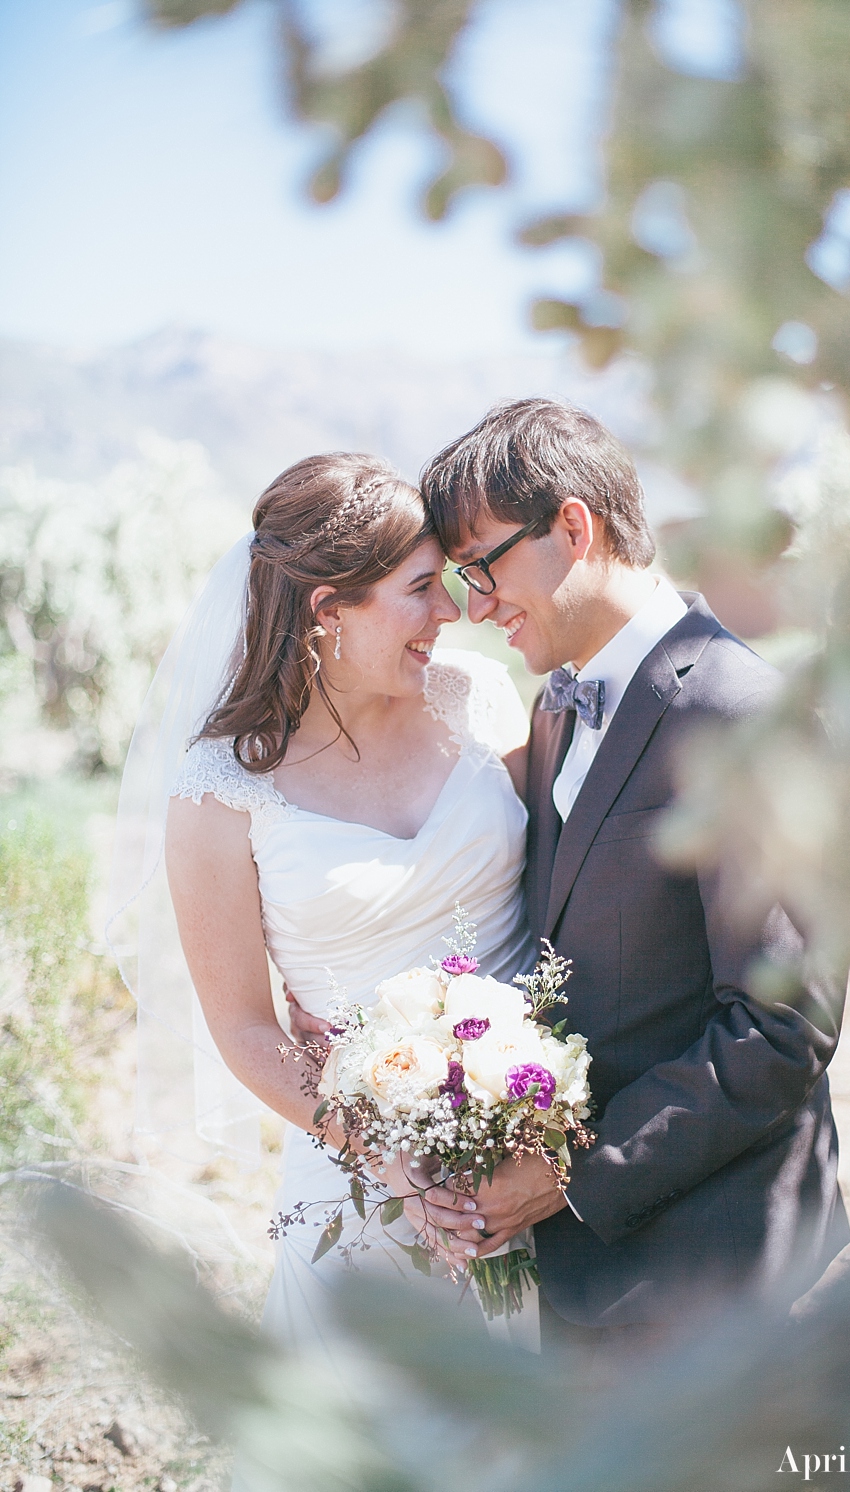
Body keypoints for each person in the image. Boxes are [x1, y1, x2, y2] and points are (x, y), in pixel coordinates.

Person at [411, 398, 850, 1352]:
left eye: (481, 566)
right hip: (583, 1274)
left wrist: (574, 1173)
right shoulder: (555, 708)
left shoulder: (738, 714)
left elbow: (781, 1025)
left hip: (709, 1268)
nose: (472, 606)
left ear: (573, 527)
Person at [121, 452, 534, 1362]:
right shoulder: (220, 792)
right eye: (419, 588)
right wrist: (393, 1154)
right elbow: (243, 1030)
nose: (452, 612)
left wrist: (541, 1115)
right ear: (329, 608)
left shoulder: (483, 703)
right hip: (360, 1165)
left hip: (537, 1146)